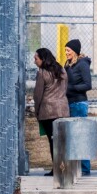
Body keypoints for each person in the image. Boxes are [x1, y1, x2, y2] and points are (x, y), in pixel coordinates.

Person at [33, 48, 69, 176]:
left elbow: (38, 94)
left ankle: (57, 169)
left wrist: (36, 111)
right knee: (63, 141)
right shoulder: (62, 70)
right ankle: (65, 168)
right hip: (63, 110)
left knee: (53, 141)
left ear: (43, 59)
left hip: (48, 111)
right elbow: (65, 88)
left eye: (36, 58)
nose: (34, 61)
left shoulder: (42, 73)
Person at [63, 39, 92, 175]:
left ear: (74, 51)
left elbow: (88, 85)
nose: (66, 53)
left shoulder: (82, 64)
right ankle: (76, 166)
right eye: (65, 50)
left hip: (79, 104)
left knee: (81, 136)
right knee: (73, 137)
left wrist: (72, 88)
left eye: (68, 50)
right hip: (69, 103)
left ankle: (85, 168)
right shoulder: (68, 64)